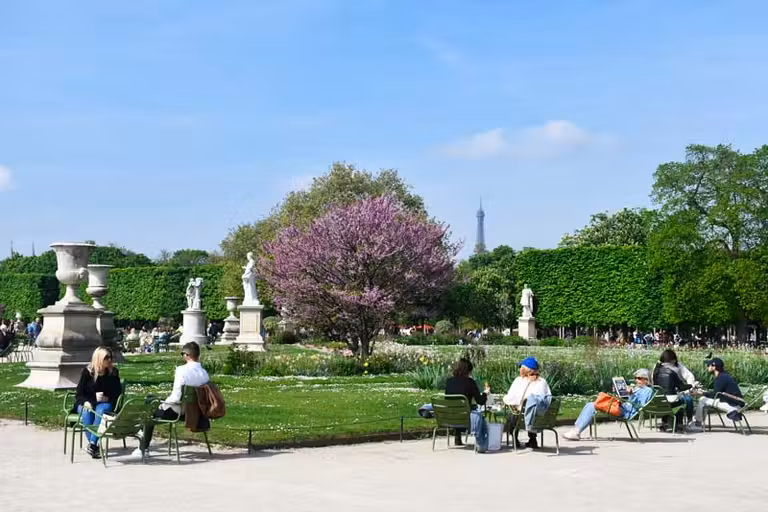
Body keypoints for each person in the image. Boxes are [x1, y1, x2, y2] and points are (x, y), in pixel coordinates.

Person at [134, 342, 209, 457]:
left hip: (178, 411)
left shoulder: (181, 370)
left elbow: (176, 397)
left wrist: (163, 405)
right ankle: (142, 431)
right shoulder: (204, 373)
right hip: (195, 412)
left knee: (149, 411)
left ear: (187, 355)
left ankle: (143, 447)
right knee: (151, 399)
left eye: (183, 354)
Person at [564, 369, 654, 440]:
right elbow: (628, 399)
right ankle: (576, 429)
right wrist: (621, 392)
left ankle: (577, 431)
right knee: (590, 404)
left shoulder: (647, 390)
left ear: (646, 380)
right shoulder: (637, 388)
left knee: (594, 405)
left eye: (639, 378)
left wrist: (631, 394)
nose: (636, 380)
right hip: (622, 407)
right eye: (636, 378)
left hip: (626, 411)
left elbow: (640, 405)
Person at [73, 347, 122, 459]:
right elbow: (79, 393)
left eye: (111, 357)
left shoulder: (113, 372)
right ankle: (93, 445)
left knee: (101, 410)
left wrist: (107, 397)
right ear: (99, 358)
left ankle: (92, 444)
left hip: (104, 402)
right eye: (106, 357)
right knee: (87, 412)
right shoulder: (88, 372)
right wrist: (87, 401)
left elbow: (117, 391)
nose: (109, 360)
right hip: (87, 402)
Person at [502, 357, 551, 449]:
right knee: (531, 409)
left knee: (513, 414)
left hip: (522, 418)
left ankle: (515, 438)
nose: (519, 369)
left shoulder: (520, 381)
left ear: (525, 369)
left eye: (521, 367)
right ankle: (533, 439)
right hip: (539, 417)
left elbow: (512, 398)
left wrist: (504, 399)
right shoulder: (542, 382)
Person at [444, 358, 489, 452]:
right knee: (478, 415)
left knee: (459, 408)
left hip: (450, 416)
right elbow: (480, 401)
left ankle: (457, 436)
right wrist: (485, 393)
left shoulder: (449, 381)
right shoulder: (470, 382)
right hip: (465, 418)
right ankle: (481, 443)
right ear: (469, 371)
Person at [689, 357, 744, 431]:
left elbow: (715, 395)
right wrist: (704, 393)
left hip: (732, 406)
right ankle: (698, 423)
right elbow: (718, 393)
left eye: (708, 365)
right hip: (734, 403)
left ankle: (697, 424)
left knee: (702, 400)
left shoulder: (721, 378)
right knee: (704, 400)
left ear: (714, 367)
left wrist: (701, 393)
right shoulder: (723, 376)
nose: (707, 367)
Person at [653, 349, 696, 427]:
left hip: (660, 399)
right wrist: (691, 386)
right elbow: (681, 386)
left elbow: (653, 384)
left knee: (672, 400)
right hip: (673, 398)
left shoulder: (656, 370)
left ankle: (665, 422)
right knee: (688, 400)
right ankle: (686, 422)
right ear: (673, 360)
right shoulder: (673, 371)